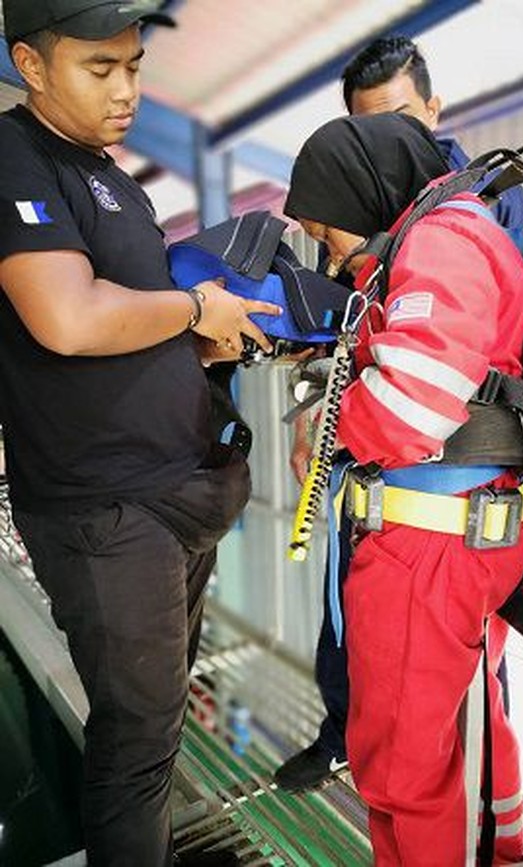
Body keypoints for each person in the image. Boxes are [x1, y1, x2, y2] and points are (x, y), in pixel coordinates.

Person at [0, 2, 282, 865]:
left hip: (170, 494)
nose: (126, 90)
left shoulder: (107, 175)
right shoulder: (15, 155)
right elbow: (68, 319)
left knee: (154, 732)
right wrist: (196, 304)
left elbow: (124, 327)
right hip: (107, 511)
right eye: (99, 68)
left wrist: (198, 341)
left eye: (133, 66)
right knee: (136, 745)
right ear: (31, 64)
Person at [275, 34, 523, 793]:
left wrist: (333, 425)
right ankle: (501, 842)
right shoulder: (423, 235)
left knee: (405, 771)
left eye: (328, 230)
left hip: (431, 530)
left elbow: (412, 401)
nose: (333, 250)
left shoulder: (444, 237)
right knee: (452, 737)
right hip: (436, 523)